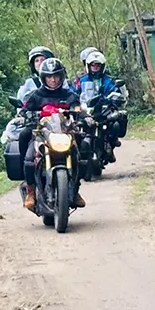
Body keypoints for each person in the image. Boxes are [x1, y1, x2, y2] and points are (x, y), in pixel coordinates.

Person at [18, 57, 85, 210]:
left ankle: (75, 191)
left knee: (80, 153)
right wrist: (25, 114)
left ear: (61, 77)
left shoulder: (69, 95)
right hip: (41, 133)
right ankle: (31, 191)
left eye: (56, 76)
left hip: (65, 132)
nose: (53, 80)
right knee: (28, 154)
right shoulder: (36, 95)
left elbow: (77, 108)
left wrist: (84, 117)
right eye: (49, 77)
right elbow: (25, 109)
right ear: (43, 78)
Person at [74, 51, 128, 162]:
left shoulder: (108, 80)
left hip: (103, 108)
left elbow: (115, 90)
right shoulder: (81, 80)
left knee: (114, 122)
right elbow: (74, 92)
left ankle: (111, 144)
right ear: (88, 65)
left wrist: (114, 97)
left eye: (98, 65)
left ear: (102, 66)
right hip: (87, 109)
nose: (95, 67)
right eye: (93, 65)